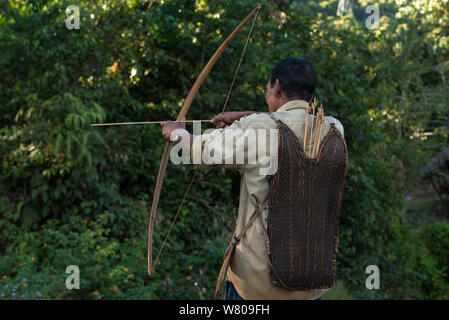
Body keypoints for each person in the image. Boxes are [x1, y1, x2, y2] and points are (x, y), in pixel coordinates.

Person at [161, 57, 345, 300]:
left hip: (257, 287)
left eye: (268, 87)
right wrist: (244, 117)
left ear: (276, 87)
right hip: (311, 284)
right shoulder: (334, 129)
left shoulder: (258, 129)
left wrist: (176, 133)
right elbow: (292, 121)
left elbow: (200, 151)